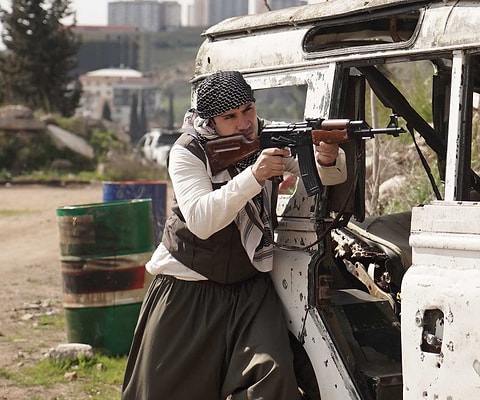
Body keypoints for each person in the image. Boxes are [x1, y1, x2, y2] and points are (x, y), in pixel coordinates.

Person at [122, 70, 347, 400]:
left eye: (248, 110)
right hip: (188, 287)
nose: (244, 123)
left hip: (249, 290)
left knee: (272, 380)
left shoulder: (266, 136)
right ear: (211, 122)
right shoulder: (188, 152)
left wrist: (328, 158)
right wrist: (254, 176)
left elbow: (325, 173)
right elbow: (200, 219)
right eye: (230, 116)